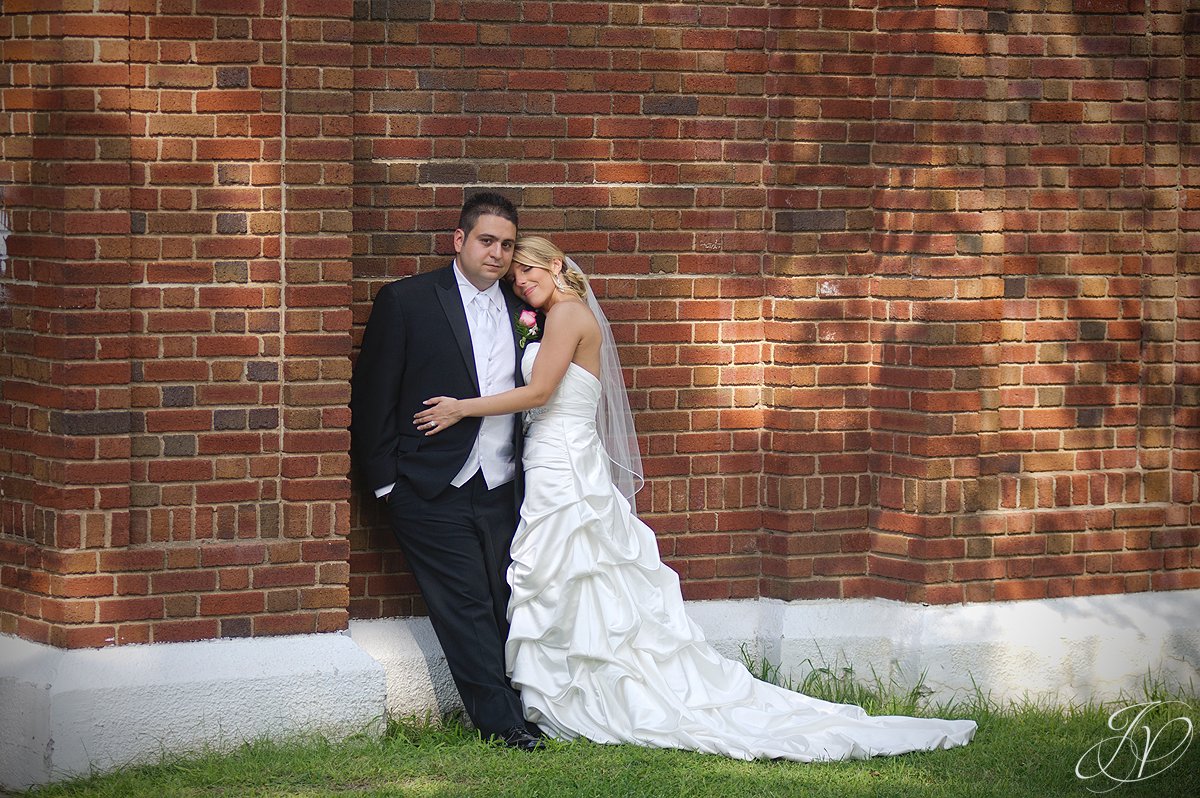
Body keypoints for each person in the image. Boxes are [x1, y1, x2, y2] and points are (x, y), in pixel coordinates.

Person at [414, 234, 978, 762]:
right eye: (515, 280)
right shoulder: (553, 315)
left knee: (573, 569)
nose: (520, 285)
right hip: (551, 457)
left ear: (556, 266)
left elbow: (539, 392)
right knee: (569, 575)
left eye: (528, 272)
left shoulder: (566, 314)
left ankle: (590, 690)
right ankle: (576, 684)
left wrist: (461, 407)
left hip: (563, 464)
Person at [349, 193, 543, 751]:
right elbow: (374, 396)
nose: (498, 253)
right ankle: (503, 726)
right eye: (487, 241)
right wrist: (389, 484)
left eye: (507, 245)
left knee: (509, 600)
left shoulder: (524, 309)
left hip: (505, 485)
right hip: (430, 488)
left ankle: (530, 707)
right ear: (459, 241)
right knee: (465, 608)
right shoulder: (408, 301)